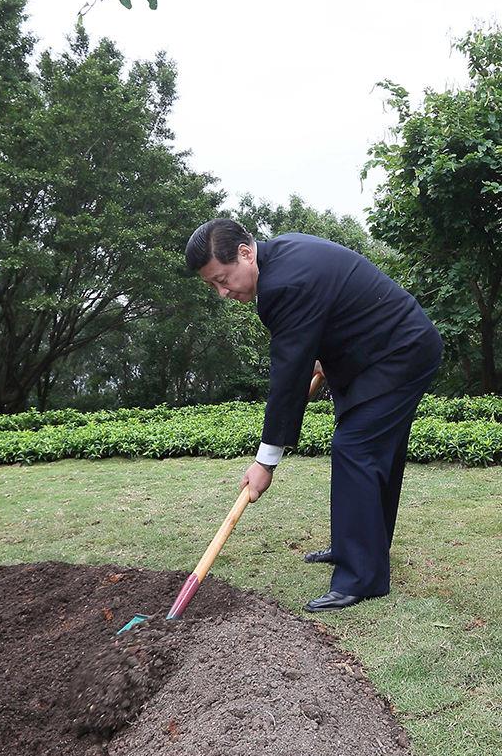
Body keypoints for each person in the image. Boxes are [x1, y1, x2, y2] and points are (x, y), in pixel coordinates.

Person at [184, 220, 443, 610]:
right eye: (212, 286)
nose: (223, 292)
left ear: (245, 253)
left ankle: (362, 577)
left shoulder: (282, 284)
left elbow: (288, 378)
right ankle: (355, 548)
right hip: (376, 354)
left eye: (222, 279)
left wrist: (266, 461)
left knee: (356, 448)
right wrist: (319, 354)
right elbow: (323, 317)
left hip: (400, 353)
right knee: (368, 451)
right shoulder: (282, 258)